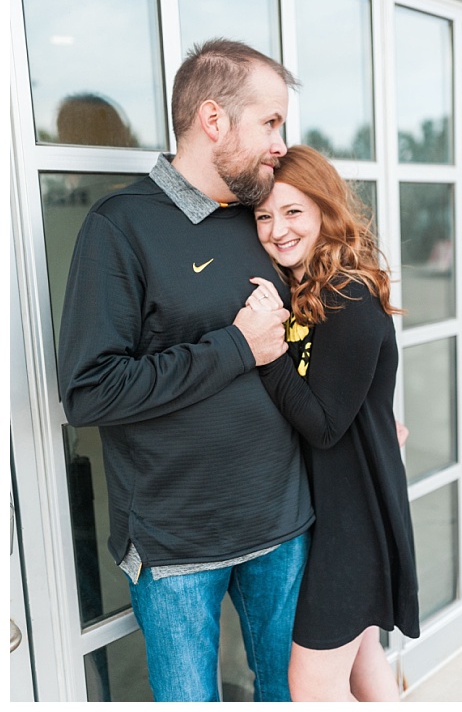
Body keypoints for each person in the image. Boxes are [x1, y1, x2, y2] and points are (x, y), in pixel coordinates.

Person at [58, 38, 312, 702]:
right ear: (213, 120)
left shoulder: (260, 221)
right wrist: (233, 346)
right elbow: (89, 390)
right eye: (271, 122)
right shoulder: (120, 227)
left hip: (283, 523)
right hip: (176, 548)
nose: (281, 142)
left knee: (286, 691)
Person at [244, 144, 420, 701]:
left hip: (353, 521)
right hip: (328, 509)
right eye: (264, 216)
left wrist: (265, 353)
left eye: (293, 211)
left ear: (324, 209)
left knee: (313, 685)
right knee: (366, 665)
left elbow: (323, 425)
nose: (277, 229)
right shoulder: (307, 291)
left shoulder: (349, 294)